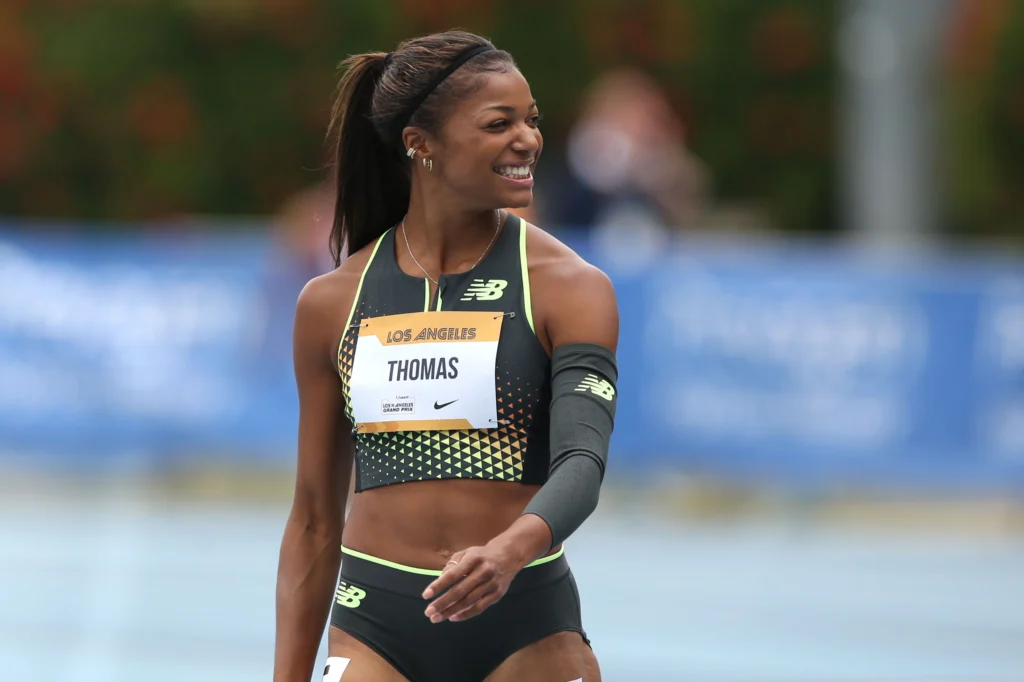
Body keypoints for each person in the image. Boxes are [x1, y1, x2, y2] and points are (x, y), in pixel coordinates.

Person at [274, 30, 619, 682]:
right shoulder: (330, 303)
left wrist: (509, 550)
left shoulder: (569, 286)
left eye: (532, 120)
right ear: (420, 143)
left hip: (524, 621)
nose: (529, 139)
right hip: (374, 620)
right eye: (499, 123)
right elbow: (315, 520)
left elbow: (582, 463)